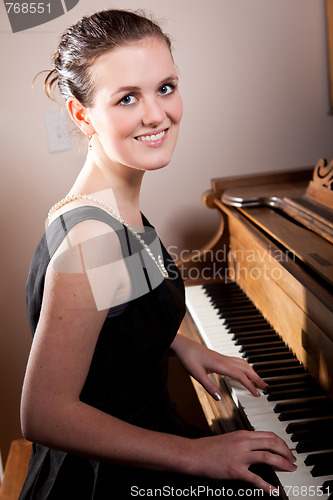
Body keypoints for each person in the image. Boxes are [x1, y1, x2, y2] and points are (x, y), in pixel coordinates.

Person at [19, 9, 296, 499]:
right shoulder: (93, 235)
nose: (156, 114)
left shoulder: (100, 201)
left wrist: (179, 343)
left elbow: (112, 312)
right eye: (127, 98)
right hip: (102, 478)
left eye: (165, 87)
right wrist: (197, 454)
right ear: (81, 115)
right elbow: (42, 414)